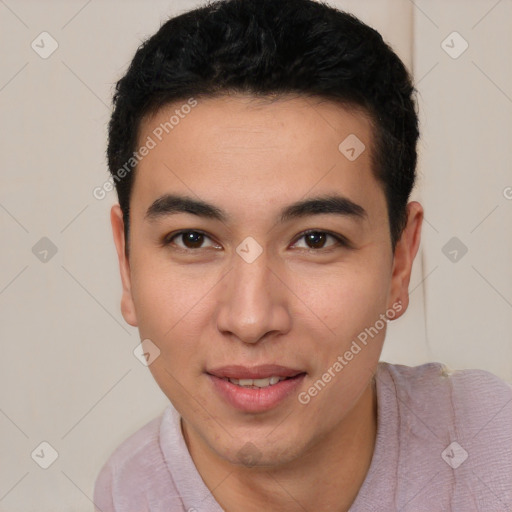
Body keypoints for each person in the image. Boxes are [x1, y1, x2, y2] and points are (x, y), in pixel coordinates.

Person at [93, 0, 512, 510]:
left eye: (316, 239)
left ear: (400, 263)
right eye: (193, 239)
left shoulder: (493, 447)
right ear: (127, 262)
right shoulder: (128, 492)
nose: (250, 320)